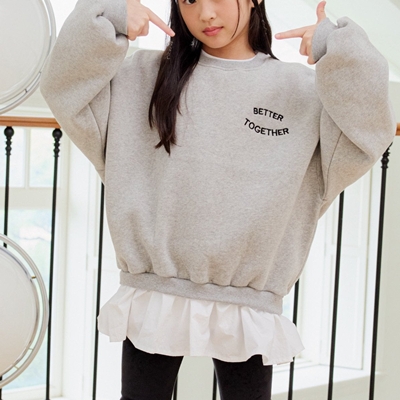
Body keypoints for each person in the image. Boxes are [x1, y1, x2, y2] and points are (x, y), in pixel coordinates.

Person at [40, 0, 396, 399]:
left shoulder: (301, 90)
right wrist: (105, 18)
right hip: (153, 292)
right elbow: (64, 89)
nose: (206, 13)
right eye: (190, 0)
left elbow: (369, 133)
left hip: (251, 303)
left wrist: (340, 48)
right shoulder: (142, 77)